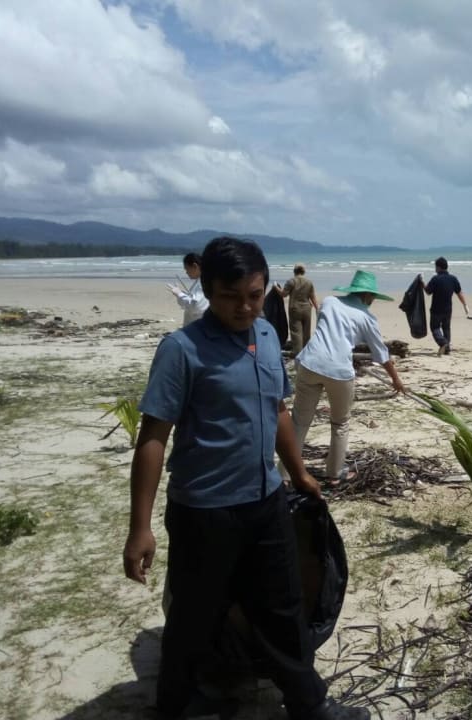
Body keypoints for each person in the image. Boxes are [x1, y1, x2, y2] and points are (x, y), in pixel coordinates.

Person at [123, 237, 368, 720]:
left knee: (282, 606)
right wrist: (140, 526)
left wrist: (298, 473)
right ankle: (182, 706)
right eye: (231, 295)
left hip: (265, 500)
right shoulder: (182, 349)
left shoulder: (268, 337)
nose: (244, 306)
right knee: (195, 616)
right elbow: (153, 436)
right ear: (208, 289)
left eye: (254, 295)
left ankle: (308, 705)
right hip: (204, 510)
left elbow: (276, 408)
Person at [291, 270, 405, 483]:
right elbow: (381, 354)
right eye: (372, 297)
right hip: (339, 372)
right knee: (340, 422)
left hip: (310, 363)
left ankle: (285, 473)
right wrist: (395, 379)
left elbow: (327, 331)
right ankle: (334, 473)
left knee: (299, 421)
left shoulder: (330, 301)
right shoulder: (367, 317)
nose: (372, 301)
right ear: (366, 295)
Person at [421, 256, 468, 356]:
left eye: (435, 267)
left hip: (436, 309)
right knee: (446, 328)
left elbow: (428, 292)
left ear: (438, 267)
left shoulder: (435, 279)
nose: (435, 269)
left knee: (435, 328)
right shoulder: (453, 279)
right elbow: (459, 293)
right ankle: (447, 349)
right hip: (448, 309)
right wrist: (465, 305)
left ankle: (443, 343)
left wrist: (422, 283)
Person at [275, 263, 319, 353]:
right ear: (304, 271)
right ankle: (307, 352)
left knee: (296, 333)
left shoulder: (291, 281)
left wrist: (275, 287)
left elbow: (284, 294)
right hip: (307, 309)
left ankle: (298, 354)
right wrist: (317, 308)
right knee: (306, 332)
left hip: (295, 309)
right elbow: (313, 297)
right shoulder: (309, 282)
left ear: (294, 271)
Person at [166, 252, 209, 326]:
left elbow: (195, 306)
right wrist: (184, 294)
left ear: (195, 266)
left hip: (198, 329)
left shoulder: (203, 282)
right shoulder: (203, 280)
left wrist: (179, 294)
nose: (186, 272)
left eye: (187, 269)